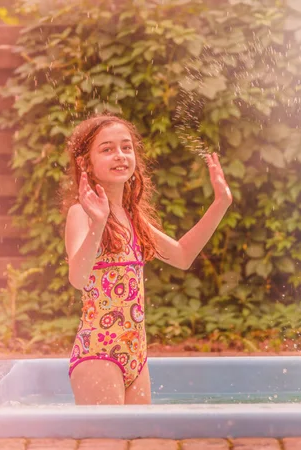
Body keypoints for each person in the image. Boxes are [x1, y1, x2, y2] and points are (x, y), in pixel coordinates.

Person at [61, 114, 233, 405]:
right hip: (98, 352)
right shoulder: (81, 213)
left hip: (136, 355)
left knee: (138, 441)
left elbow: (181, 256)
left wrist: (220, 204)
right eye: (107, 149)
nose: (120, 155)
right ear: (85, 163)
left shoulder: (132, 217)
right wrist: (98, 224)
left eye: (126, 148)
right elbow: (78, 277)